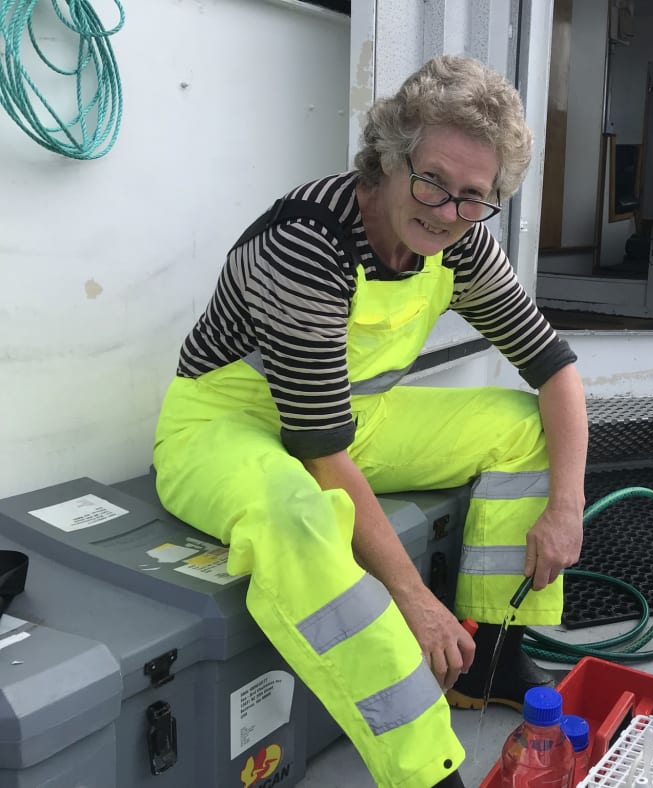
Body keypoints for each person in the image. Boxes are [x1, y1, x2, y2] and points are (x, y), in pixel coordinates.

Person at [152, 55, 588, 788]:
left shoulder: (465, 242)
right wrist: (414, 600)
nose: (447, 211)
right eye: (431, 181)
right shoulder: (306, 244)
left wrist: (567, 508)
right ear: (388, 158)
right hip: (227, 425)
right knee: (301, 519)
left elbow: (553, 369)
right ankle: (423, 767)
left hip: (348, 419)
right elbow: (321, 458)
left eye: (473, 197)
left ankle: (492, 655)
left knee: (525, 424)